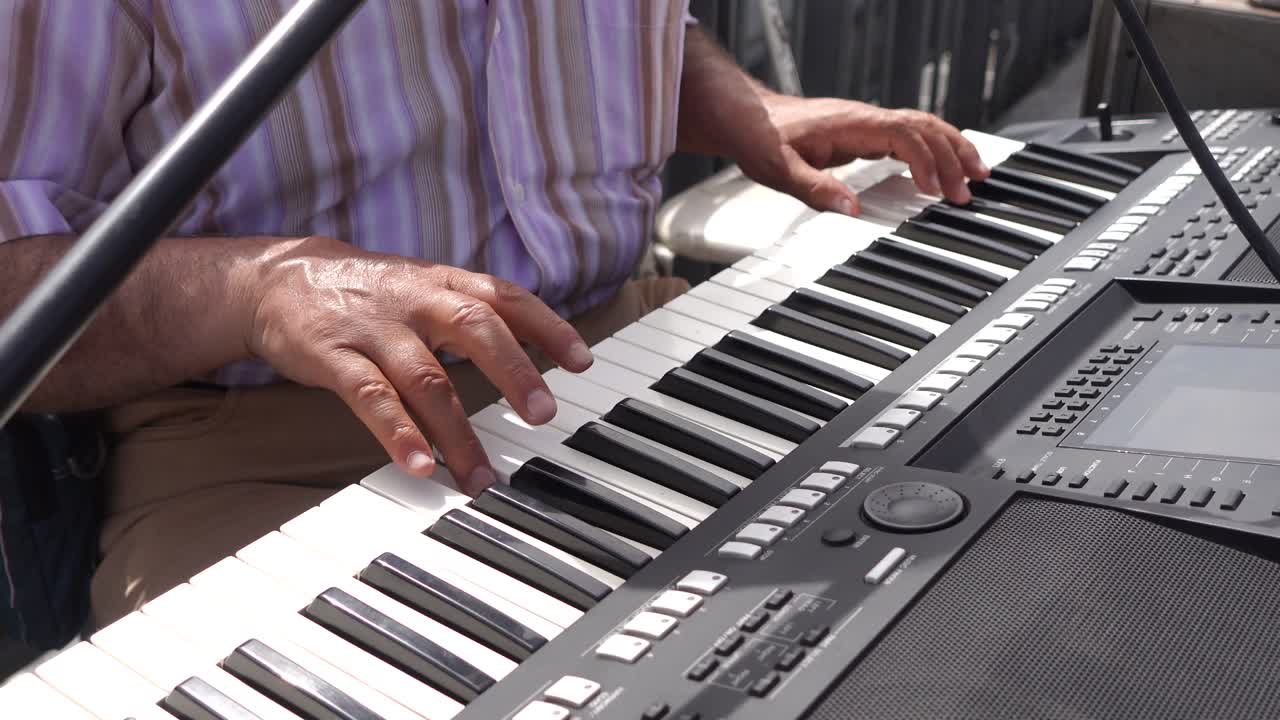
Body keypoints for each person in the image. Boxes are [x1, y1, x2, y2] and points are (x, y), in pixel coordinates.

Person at [0, 0, 988, 630]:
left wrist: (739, 107)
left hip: (620, 345)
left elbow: (643, 28)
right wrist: (255, 293)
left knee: (934, 582)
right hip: (267, 445)